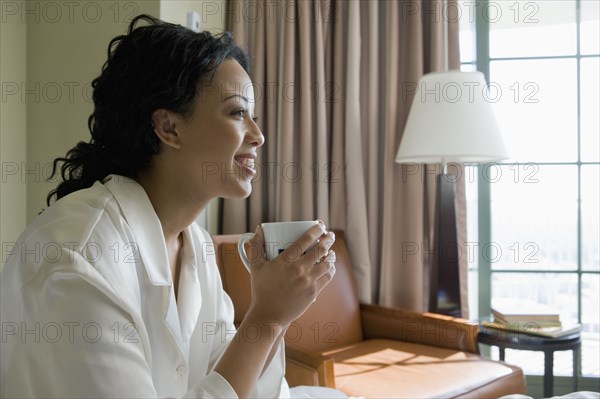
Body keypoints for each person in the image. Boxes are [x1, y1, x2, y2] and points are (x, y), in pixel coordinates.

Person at [0, 15, 340, 398]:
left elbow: (239, 382)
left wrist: (274, 309)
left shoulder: (193, 244)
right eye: (237, 113)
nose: (258, 136)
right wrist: (268, 320)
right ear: (169, 128)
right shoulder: (79, 258)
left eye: (254, 117)